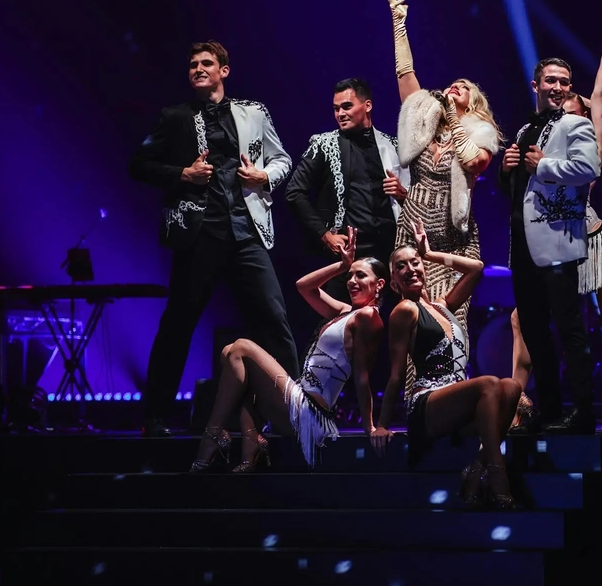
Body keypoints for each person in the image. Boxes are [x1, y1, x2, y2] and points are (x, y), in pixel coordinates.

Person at [129, 40, 299, 438]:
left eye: (207, 63)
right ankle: (154, 417)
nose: (198, 68)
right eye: (192, 64)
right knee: (178, 324)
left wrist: (264, 177)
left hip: (245, 230)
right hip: (198, 233)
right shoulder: (175, 117)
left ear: (224, 70)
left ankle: (295, 411)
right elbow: (138, 165)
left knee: (274, 319)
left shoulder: (253, 113)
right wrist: (182, 174)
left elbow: (282, 159)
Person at [509, 32, 602, 432]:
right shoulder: (538, 131)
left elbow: (599, 92)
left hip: (589, 234)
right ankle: (521, 398)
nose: (565, 98)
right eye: (554, 87)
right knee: (525, 320)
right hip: (545, 237)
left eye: (571, 94)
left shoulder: (587, 127)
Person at [190, 227, 388, 472]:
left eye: (360, 275)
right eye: (350, 275)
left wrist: (370, 426)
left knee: (241, 348)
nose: (351, 281)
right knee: (229, 352)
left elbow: (362, 375)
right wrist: (341, 264)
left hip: (310, 414)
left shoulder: (368, 316)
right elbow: (304, 286)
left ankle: (212, 437)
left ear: (379, 284)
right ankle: (251, 442)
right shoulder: (345, 312)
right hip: (298, 401)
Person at [371, 221, 522, 509]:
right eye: (401, 267)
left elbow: (476, 268)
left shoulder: (442, 305)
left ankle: (477, 468)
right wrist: (382, 424)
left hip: (457, 401)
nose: (410, 269)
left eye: (414, 263)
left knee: (512, 387)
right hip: (427, 404)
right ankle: (497, 473)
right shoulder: (405, 310)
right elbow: (396, 374)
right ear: (393, 283)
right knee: (490, 383)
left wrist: (428, 252)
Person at [379, 0, 502, 336]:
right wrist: (398, 23)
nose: (454, 86)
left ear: (474, 103)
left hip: (452, 237)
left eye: (463, 87)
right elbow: (405, 76)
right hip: (413, 228)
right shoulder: (425, 126)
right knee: (410, 318)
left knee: (449, 321)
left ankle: (453, 389)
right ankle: (415, 390)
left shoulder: (481, 133)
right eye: (452, 84)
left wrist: (453, 117)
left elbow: (474, 163)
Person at [498, 57, 601, 434]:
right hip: (524, 245)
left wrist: (544, 165)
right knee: (535, 330)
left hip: (558, 240)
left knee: (569, 328)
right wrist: (506, 169)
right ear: (535, 85)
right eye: (551, 81)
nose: (558, 87)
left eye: (564, 82)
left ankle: (585, 411)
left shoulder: (576, 124)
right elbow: (516, 193)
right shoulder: (526, 128)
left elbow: (589, 168)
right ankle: (552, 410)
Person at [285, 78, 409, 301]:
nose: (340, 113)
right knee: (340, 325)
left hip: (388, 251)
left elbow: (415, 199)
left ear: (367, 106)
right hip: (346, 255)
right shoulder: (324, 144)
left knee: (391, 324)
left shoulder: (392, 145)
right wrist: (325, 235)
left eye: (347, 106)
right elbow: (295, 192)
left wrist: (402, 195)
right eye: (336, 108)